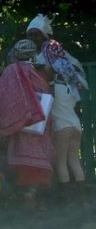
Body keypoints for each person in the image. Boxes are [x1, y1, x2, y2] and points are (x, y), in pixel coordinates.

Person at [26, 14, 87, 199]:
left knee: (61, 162)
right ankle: (83, 199)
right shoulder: (69, 90)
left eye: (36, 35)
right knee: (74, 160)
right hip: (75, 126)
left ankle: (68, 198)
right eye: (30, 35)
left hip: (62, 128)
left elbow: (55, 69)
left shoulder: (49, 49)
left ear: (44, 34)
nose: (33, 39)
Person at [0, 39, 53, 207]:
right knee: (37, 159)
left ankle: (19, 195)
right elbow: (46, 96)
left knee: (19, 158)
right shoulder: (40, 74)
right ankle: (31, 192)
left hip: (18, 124)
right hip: (39, 124)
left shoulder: (11, 71)